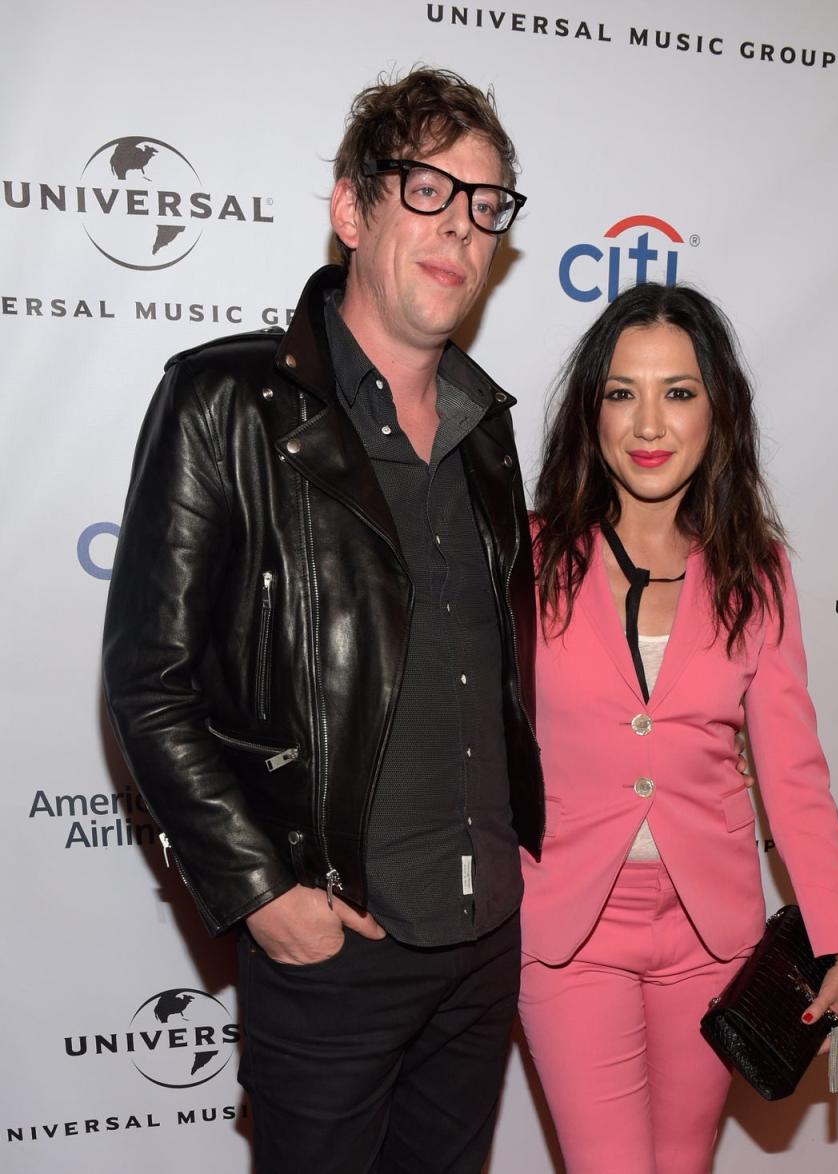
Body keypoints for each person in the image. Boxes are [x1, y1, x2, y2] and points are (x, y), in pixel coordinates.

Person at [102, 68, 543, 1174]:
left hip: (484, 941)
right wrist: (261, 891)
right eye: (429, 190)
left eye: (487, 205)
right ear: (353, 209)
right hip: (331, 947)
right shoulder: (225, 403)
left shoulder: (490, 429)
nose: (462, 228)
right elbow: (150, 685)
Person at [518, 282, 838, 1174]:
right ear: (589, 413)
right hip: (569, 937)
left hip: (713, 934)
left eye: (678, 392)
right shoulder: (526, 558)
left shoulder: (760, 571)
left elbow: (792, 773)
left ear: (719, 411)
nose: (649, 422)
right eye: (622, 392)